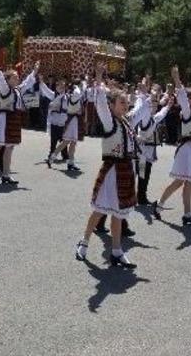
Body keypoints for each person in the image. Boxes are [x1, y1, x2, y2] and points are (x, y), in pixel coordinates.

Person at [74, 64, 138, 268]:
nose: (125, 105)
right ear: (112, 105)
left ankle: (117, 251)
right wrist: (99, 78)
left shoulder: (126, 123)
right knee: (100, 210)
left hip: (125, 171)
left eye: (126, 102)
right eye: (121, 102)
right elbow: (100, 103)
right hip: (112, 171)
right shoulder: (110, 122)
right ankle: (84, 243)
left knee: (118, 213)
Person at [152, 66, 191, 225]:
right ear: (190, 99)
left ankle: (187, 214)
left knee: (189, 182)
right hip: (187, 149)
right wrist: (177, 79)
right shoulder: (188, 111)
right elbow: (182, 96)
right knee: (179, 181)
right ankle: (159, 205)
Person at [0, 57, 39, 185]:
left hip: (14, 121)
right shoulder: (5, 89)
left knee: (10, 147)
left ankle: (6, 174)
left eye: (17, 77)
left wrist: (34, 71)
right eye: (14, 77)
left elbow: (28, 83)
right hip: (4, 121)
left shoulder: (18, 90)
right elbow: (0, 79)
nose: (17, 78)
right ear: (8, 80)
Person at [133, 84, 172, 205]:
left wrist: (168, 106)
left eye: (156, 105)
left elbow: (161, 115)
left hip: (148, 151)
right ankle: (137, 196)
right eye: (152, 105)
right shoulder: (146, 118)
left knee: (144, 174)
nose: (154, 106)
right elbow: (142, 106)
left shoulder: (153, 118)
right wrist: (144, 95)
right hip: (142, 152)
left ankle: (141, 196)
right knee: (140, 174)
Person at [47, 79, 87, 171]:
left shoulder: (74, 96)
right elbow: (79, 92)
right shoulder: (73, 96)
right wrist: (80, 85)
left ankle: (70, 163)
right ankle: (53, 157)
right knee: (66, 141)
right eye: (79, 85)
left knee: (72, 142)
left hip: (75, 120)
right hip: (71, 121)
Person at [39, 78, 69, 165]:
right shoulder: (53, 95)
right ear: (56, 87)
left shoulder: (67, 97)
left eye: (63, 86)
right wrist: (41, 82)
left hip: (63, 121)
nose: (61, 88)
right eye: (59, 86)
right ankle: (51, 154)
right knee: (53, 140)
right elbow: (46, 90)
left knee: (63, 140)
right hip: (54, 121)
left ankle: (65, 155)